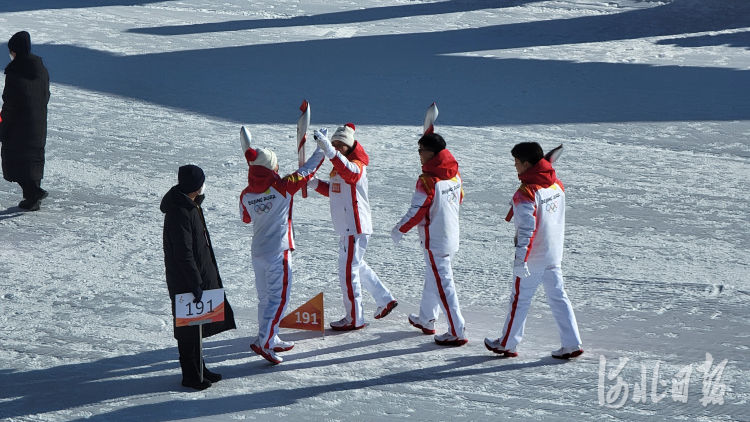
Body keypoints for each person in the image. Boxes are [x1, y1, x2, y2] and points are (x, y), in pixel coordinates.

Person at [484, 142, 583, 359]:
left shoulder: (527, 193)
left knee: (519, 299)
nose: (515, 166)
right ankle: (572, 343)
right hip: (553, 253)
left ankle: (508, 343)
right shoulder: (556, 184)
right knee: (559, 297)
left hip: (533, 258)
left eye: (517, 162)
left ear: (527, 164)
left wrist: (521, 259)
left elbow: (528, 229)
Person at [240, 143, 324, 364]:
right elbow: (308, 171)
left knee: (264, 298)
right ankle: (265, 343)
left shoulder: (245, 194)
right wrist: (322, 149)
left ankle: (270, 335)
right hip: (278, 251)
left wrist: (261, 204)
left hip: (258, 252)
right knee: (279, 299)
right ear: (271, 167)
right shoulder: (283, 186)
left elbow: (246, 218)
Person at [309, 123, 397, 331]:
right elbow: (335, 191)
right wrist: (312, 183)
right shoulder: (339, 166)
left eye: (341, 145)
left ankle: (354, 317)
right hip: (347, 228)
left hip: (354, 227)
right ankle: (385, 299)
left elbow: (351, 174)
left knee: (348, 273)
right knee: (357, 266)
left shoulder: (357, 165)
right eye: (334, 144)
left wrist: (329, 151)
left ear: (349, 146)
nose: (337, 148)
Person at [161, 164, 237, 390]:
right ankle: (191, 375)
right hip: (185, 281)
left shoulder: (190, 205)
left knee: (197, 326)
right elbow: (183, 253)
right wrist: (195, 283)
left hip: (195, 277)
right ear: (195, 187)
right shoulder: (180, 212)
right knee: (187, 330)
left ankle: (200, 369)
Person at [391, 133, 468, 346]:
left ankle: (457, 330)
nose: (419, 155)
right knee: (433, 278)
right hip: (451, 236)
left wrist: (399, 230)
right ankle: (426, 319)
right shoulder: (454, 173)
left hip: (435, 241)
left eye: (421, 150)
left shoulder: (427, 181)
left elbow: (416, 211)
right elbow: (459, 197)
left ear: (431, 153)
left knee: (444, 285)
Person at [0, 31, 50, 211]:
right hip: (38, 122)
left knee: (16, 159)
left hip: (18, 126)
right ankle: (33, 196)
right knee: (33, 158)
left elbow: (10, 104)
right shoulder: (40, 69)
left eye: (11, 51)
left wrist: (2, 126)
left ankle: (33, 193)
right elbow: (46, 95)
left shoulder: (15, 73)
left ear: (16, 51)